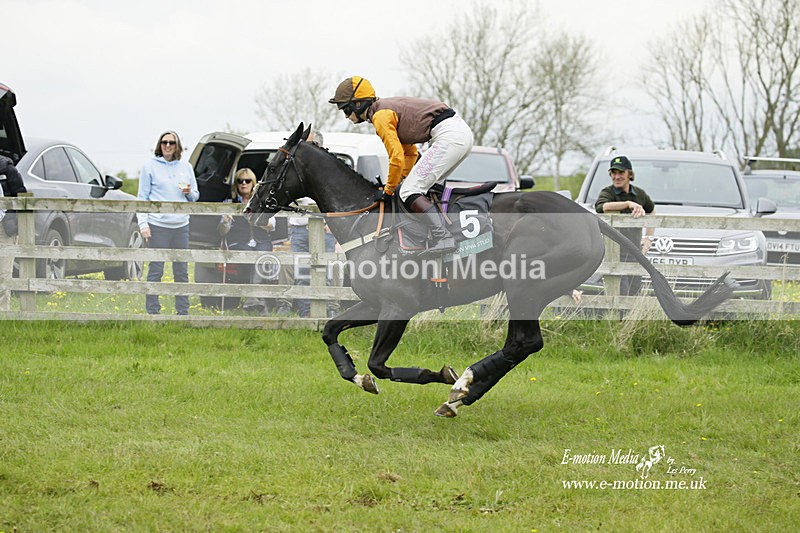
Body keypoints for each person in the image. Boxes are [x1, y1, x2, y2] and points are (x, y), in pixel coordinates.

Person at [328, 76, 474, 255]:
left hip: (449, 136)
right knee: (421, 189)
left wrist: (389, 190)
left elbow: (396, 157)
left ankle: (443, 237)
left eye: (346, 109)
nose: (346, 116)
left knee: (409, 191)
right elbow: (409, 153)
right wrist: (401, 180)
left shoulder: (380, 116)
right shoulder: (384, 111)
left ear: (358, 105)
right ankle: (439, 235)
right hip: (457, 134)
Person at [275, 131, 340, 318]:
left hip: (324, 229)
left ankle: (328, 312)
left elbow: (336, 198)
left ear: (318, 146)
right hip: (300, 229)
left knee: (325, 271)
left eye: (307, 144)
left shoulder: (329, 167)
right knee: (302, 271)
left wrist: (333, 223)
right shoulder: (294, 167)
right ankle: (305, 313)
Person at [137, 131, 199, 315]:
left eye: (172, 142)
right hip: (158, 225)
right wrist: (143, 224)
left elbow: (195, 196)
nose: (168, 145)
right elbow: (142, 198)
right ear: (160, 145)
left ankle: (183, 312)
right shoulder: (149, 166)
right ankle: (153, 312)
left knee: (181, 272)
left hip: (181, 225)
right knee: (156, 270)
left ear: (177, 145)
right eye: (164, 142)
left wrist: (188, 192)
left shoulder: (186, 167)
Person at [218, 168, 277, 315]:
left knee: (262, 255)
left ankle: (253, 299)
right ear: (236, 184)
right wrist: (225, 221)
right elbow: (222, 232)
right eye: (240, 181)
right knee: (251, 255)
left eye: (247, 181)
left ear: (253, 183)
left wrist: (256, 220)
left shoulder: (263, 201)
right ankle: (257, 300)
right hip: (238, 242)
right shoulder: (229, 202)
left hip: (261, 240)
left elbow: (272, 226)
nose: (244, 184)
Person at [594, 155, 655, 296]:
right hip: (615, 255)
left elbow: (651, 211)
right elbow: (602, 207)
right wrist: (627, 204)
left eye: (621, 172)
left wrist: (648, 237)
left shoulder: (639, 194)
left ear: (630, 174)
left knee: (635, 293)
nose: (617, 177)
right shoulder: (608, 192)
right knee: (621, 292)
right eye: (613, 173)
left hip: (635, 253)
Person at [0, 155, 27, 311]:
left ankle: (3, 313)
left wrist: (19, 230)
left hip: (5, 227)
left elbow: (22, 198)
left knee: (4, 273)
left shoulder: (7, 169)